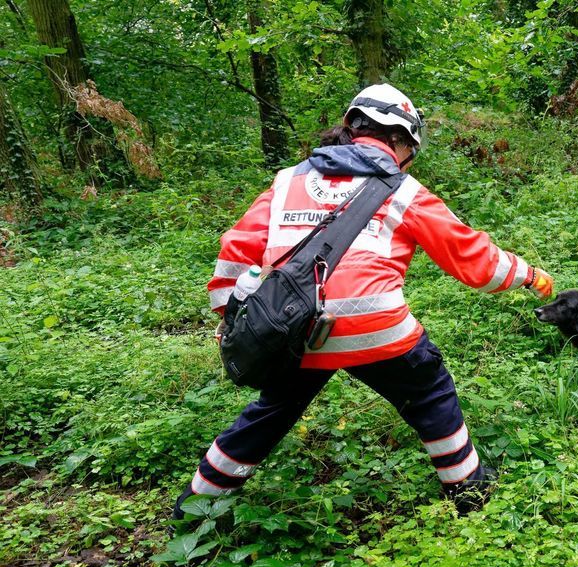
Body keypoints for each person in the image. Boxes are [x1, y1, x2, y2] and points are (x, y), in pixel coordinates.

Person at [173, 83, 554, 519]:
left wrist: (234, 319)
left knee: (271, 411)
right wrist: (528, 275)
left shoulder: (286, 182)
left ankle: (197, 507)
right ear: (400, 140)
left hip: (294, 331)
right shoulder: (405, 191)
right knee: (430, 394)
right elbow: (471, 257)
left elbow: (235, 254)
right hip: (378, 332)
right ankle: (468, 492)